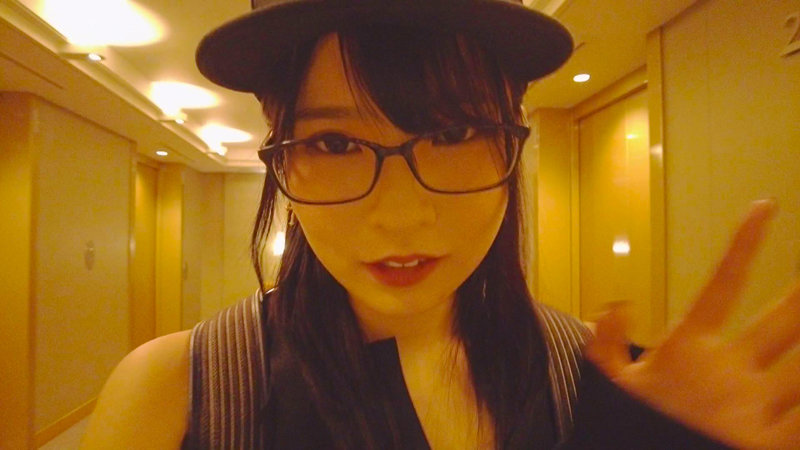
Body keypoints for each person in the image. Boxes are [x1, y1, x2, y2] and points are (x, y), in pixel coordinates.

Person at [81, 1, 800, 449]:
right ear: (280, 153)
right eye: (335, 143)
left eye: (454, 134)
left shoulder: (596, 383)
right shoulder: (177, 394)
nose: (402, 214)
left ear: (513, 137)